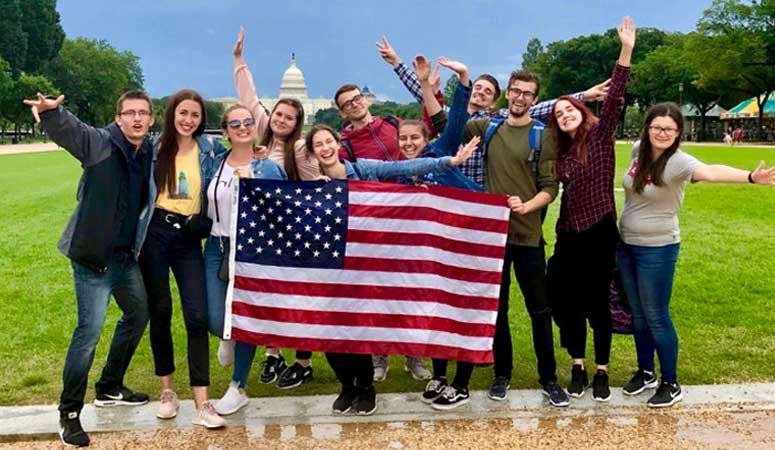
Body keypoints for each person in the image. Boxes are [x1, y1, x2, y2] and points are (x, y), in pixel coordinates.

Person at [305, 123, 478, 415]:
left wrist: (449, 161)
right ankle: (346, 386)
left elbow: (407, 166)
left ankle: (365, 387)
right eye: (318, 145)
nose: (325, 148)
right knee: (331, 328)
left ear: (338, 143)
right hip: (333, 263)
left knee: (358, 328)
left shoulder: (365, 170)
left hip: (369, 262)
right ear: (312, 153)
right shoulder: (311, 184)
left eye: (328, 141)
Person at [618, 102, 775, 408]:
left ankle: (670, 382)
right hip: (626, 245)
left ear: (678, 132)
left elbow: (710, 172)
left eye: (669, 129)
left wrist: (750, 177)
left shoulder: (678, 161)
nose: (662, 133)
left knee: (656, 315)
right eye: (657, 127)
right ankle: (646, 371)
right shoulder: (638, 150)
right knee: (638, 315)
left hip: (657, 249)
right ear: (647, 128)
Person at [24, 91, 156, 447]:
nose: (137, 119)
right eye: (130, 113)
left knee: (138, 314)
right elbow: (74, 132)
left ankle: (110, 386)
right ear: (118, 118)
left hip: (124, 258)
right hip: (93, 259)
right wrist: (52, 114)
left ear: (151, 119)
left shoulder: (148, 152)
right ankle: (69, 413)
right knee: (88, 334)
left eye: (143, 113)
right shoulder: (101, 143)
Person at [461, 68, 569, 407]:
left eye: (527, 93)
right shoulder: (488, 127)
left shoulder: (542, 135)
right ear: (507, 93)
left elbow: (550, 187)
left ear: (535, 99)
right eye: (515, 91)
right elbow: (444, 123)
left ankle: (549, 378)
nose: (520, 97)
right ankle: (502, 373)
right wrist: (442, 82)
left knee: (540, 310)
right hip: (494, 237)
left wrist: (526, 206)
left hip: (528, 236)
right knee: (499, 309)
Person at [544, 17, 635, 403]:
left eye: (570, 110)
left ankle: (601, 370)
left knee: (597, 302)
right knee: (568, 302)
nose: (565, 115)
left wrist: (625, 50)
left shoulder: (600, 134)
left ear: (583, 111)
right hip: (568, 233)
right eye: (559, 114)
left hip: (599, 229)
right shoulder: (560, 150)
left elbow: (614, 98)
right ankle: (577, 365)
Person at [231, 27, 321, 389]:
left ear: (298, 122)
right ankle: (272, 353)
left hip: (292, 231)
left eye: (288, 118)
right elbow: (250, 99)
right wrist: (239, 61)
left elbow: (316, 188)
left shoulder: (300, 150)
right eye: (278, 115)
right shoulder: (263, 138)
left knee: (297, 296)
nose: (281, 120)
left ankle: (303, 360)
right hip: (263, 231)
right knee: (269, 294)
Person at [138, 89, 226, 428]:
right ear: (172, 113)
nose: (188, 120)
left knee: (197, 316)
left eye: (195, 115)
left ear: (202, 119)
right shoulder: (154, 146)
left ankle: (202, 402)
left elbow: (236, 163)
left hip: (189, 236)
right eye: (183, 113)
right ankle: (167, 391)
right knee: (160, 311)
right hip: (156, 233)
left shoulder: (211, 150)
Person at [208, 104, 289, 416]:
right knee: (214, 316)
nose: (242, 127)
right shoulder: (213, 162)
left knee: (246, 318)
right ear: (225, 131)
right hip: (216, 245)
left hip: (252, 249)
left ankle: (238, 386)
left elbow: (284, 208)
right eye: (235, 124)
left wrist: (252, 182)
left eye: (247, 122)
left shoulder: (268, 167)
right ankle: (225, 335)